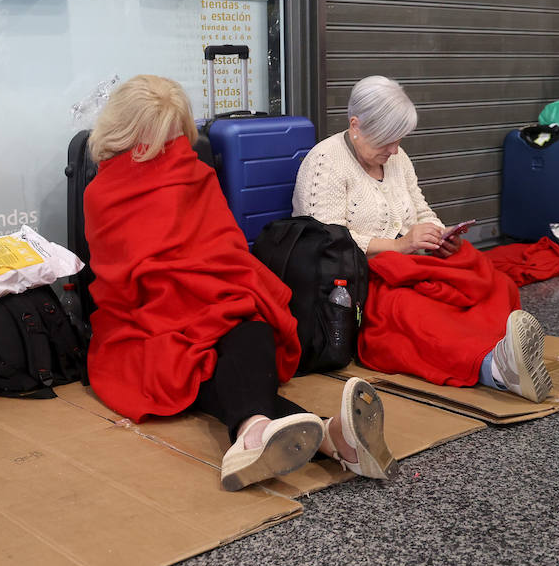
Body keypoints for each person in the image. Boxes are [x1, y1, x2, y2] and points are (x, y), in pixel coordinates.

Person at [84, 75, 395, 491]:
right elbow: (136, 275)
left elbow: (215, 247)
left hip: (184, 309)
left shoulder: (110, 188)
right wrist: (217, 291)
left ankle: (256, 432)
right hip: (146, 319)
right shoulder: (178, 174)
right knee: (240, 334)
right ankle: (327, 435)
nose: (168, 147)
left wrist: (212, 291)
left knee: (230, 340)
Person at [292, 76, 553, 402]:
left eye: (398, 139)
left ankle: (505, 349)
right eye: (385, 141)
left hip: (408, 262)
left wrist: (439, 234)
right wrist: (400, 245)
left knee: (493, 282)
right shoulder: (324, 164)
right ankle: (494, 368)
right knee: (413, 311)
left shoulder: (397, 159)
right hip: (357, 280)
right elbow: (326, 242)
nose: (395, 149)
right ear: (355, 125)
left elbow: (420, 209)